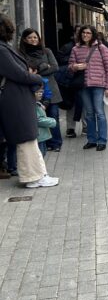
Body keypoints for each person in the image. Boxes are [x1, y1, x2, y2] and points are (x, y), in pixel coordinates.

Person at [0, 13, 59, 188]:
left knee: (27, 137)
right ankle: (33, 177)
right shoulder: (2, 49)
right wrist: (37, 78)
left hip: (15, 96)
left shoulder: (4, 48)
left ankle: (35, 175)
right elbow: (18, 73)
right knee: (26, 137)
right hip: (14, 97)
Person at [69, 25, 108, 151]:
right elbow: (70, 66)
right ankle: (91, 139)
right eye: (83, 33)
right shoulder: (75, 49)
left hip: (99, 85)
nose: (85, 35)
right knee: (89, 114)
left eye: (88, 33)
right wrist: (75, 67)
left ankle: (102, 140)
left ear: (93, 34)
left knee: (99, 113)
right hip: (83, 85)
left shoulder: (101, 48)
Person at [18, 28, 63, 152]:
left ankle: (56, 142)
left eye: (35, 37)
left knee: (53, 115)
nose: (33, 40)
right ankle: (44, 142)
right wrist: (43, 66)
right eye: (30, 37)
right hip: (33, 90)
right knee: (39, 117)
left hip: (51, 90)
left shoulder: (46, 51)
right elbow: (25, 71)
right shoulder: (21, 54)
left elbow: (55, 67)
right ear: (24, 39)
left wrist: (37, 70)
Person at [35, 87, 56, 156]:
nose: (40, 94)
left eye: (41, 92)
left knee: (43, 153)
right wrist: (52, 121)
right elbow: (38, 120)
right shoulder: (34, 105)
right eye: (37, 92)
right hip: (39, 135)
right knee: (40, 154)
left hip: (42, 135)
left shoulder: (38, 104)